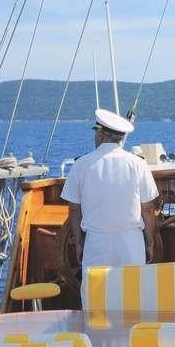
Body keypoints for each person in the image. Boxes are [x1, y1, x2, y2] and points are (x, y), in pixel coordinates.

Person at [61, 108, 159, 269]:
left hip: (96, 245)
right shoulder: (138, 164)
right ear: (121, 137)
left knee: (97, 293)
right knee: (132, 293)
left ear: (100, 134)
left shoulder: (80, 165)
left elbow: (74, 210)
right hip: (131, 245)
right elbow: (147, 209)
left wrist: (78, 243)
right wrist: (149, 242)